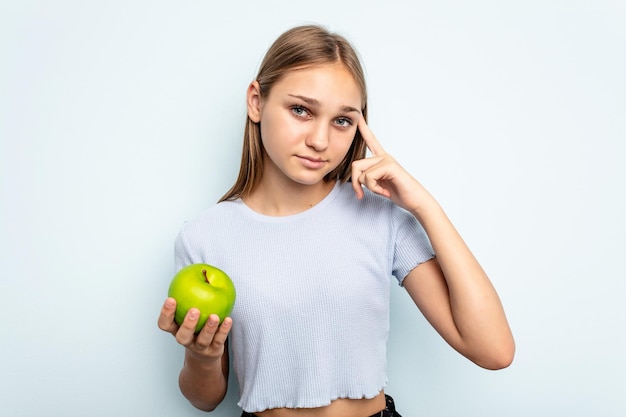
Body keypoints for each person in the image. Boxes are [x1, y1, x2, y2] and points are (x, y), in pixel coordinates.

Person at [158, 24, 515, 417]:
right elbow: (204, 399)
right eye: (301, 110)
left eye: (342, 120)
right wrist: (203, 358)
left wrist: (424, 206)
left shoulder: (381, 217)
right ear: (256, 101)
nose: (320, 141)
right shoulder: (206, 236)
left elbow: (493, 350)